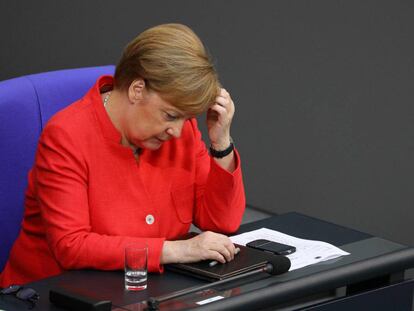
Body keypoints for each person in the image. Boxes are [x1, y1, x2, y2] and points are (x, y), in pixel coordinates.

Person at [0, 23, 245, 287]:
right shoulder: (66, 135)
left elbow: (222, 222)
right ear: (136, 89)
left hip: (143, 287)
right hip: (53, 291)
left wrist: (221, 141)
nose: (177, 131)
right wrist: (175, 251)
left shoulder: (181, 131)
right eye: (171, 115)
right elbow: (71, 245)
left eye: (186, 118)